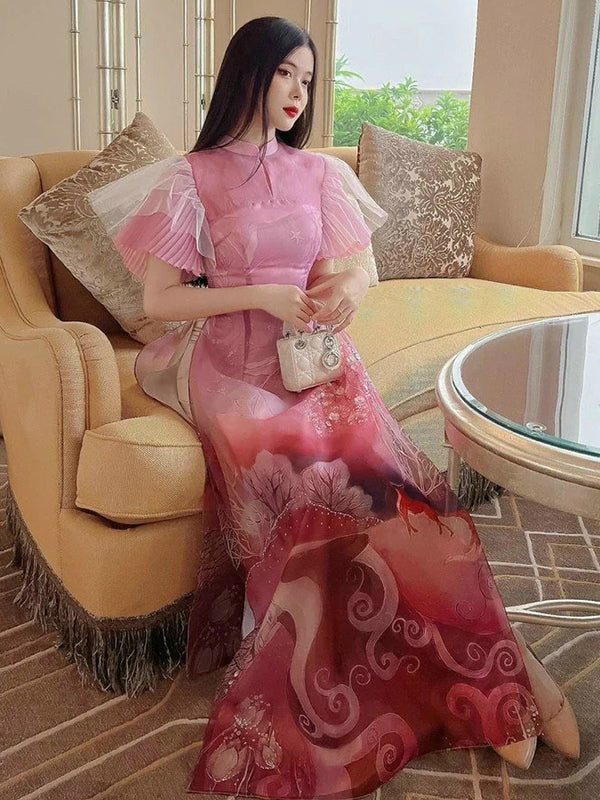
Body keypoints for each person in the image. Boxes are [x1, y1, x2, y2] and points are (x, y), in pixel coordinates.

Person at [88, 15, 579, 800]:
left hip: (314, 358)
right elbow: (161, 300)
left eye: (308, 79)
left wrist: (347, 288)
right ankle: (465, 681)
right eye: (285, 72)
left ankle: (499, 666)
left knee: (394, 487)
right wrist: (261, 295)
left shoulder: (317, 172)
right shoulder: (192, 177)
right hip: (230, 367)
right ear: (249, 72)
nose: (297, 92)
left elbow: (359, 266)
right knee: (311, 479)